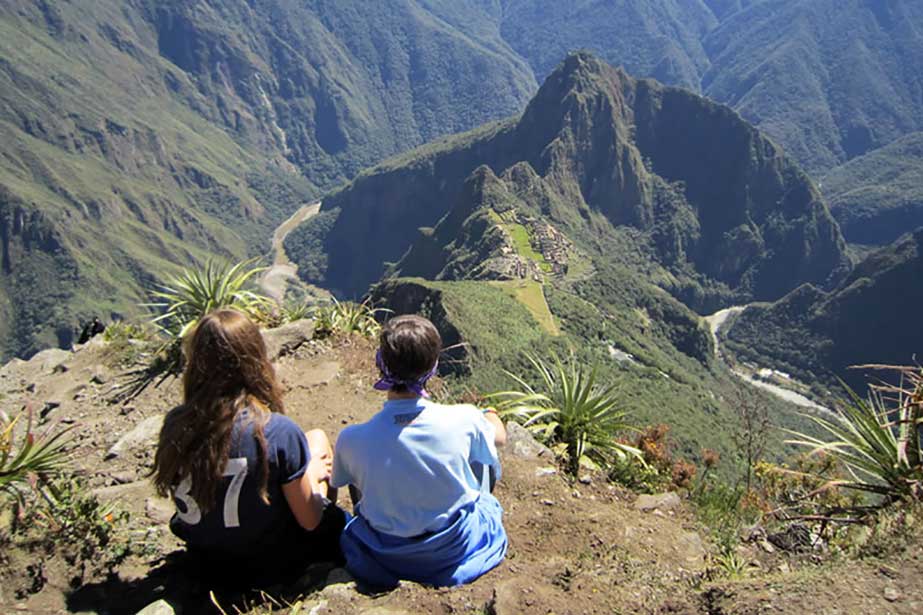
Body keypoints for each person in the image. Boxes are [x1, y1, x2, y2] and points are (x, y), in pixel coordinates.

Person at [151, 309, 345, 584]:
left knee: (314, 438)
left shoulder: (176, 425)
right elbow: (310, 520)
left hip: (205, 564)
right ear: (254, 359)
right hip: (272, 565)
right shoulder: (275, 431)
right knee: (317, 447)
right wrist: (312, 474)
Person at [331, 314, 508, 588]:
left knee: (362, 472)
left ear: (381, 364)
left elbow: (345, 483)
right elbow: (499, 438)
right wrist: (489, 412)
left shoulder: (351, 439)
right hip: (453, 548)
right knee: (488, 462)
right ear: (433, 367)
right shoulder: (464, 419)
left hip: (385, 553)